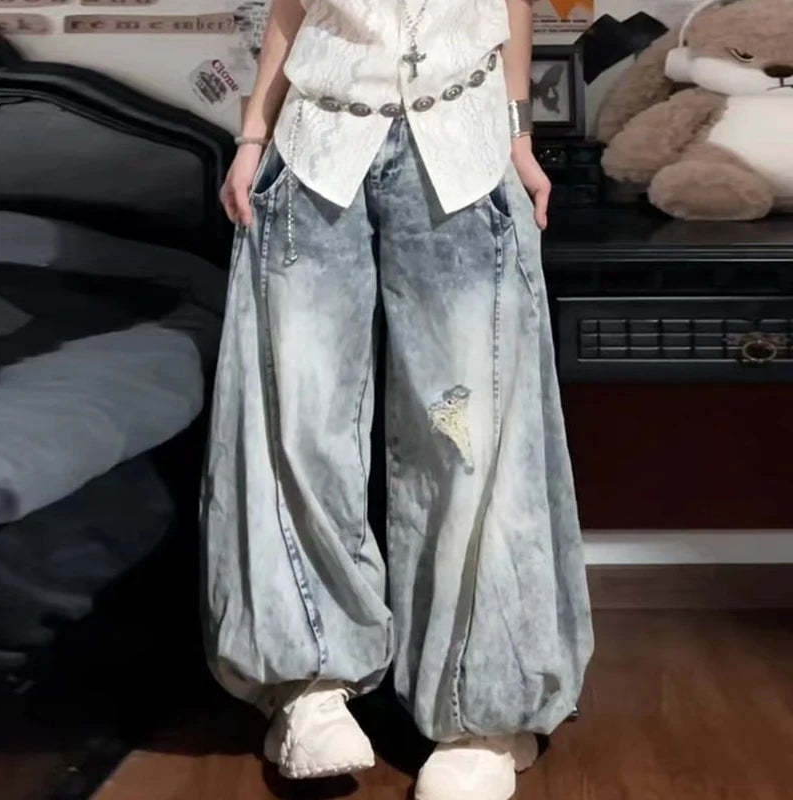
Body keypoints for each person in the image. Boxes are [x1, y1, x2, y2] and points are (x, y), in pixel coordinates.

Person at [199, 2, 594, 798]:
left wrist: (518, 136)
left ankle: (481, 711)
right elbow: (292, 7)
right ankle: (309, 682)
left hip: (463, 145)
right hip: (313, 148)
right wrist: (252, 137)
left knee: (468, 435)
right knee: (299, 423)